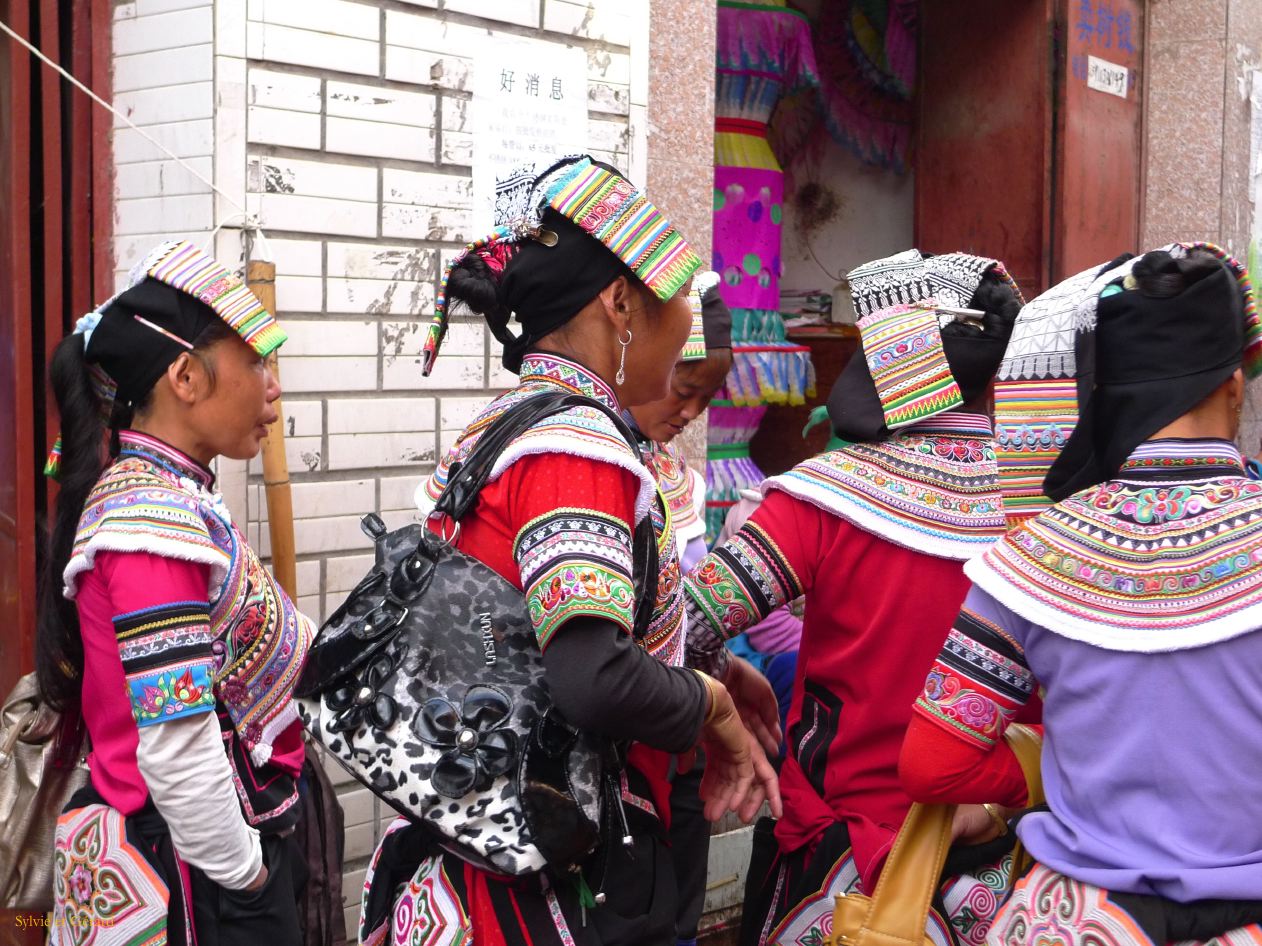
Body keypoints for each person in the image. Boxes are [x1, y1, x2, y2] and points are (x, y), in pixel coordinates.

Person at [362, 155, 781, 946]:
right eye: (677, 294)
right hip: (558, 864)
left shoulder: (512, 422)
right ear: (620, 303)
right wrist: (713, 708)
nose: (689, 313)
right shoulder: (576, 447)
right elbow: (591, 677)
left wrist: (716, 668)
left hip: (489, 827)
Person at [901, 244, 1262, 945]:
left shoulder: (1034, 555)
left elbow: (931, 762)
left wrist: (1045, 767)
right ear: (1234, 385)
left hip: (1074, 924)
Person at [683, 248, 1027, 946]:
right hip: (1003, 864)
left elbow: (685, 623)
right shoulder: (1047, 511)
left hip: (836, 870)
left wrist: (719, 689)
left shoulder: (820, 499)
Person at [36, 240, 314, 945]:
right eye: (255, 361)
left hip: (196, 852)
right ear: (186, 377)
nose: (272, 385)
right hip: (194, 875)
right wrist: (249, 878)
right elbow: (178, 748)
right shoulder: (148, 529)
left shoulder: (174, 499)